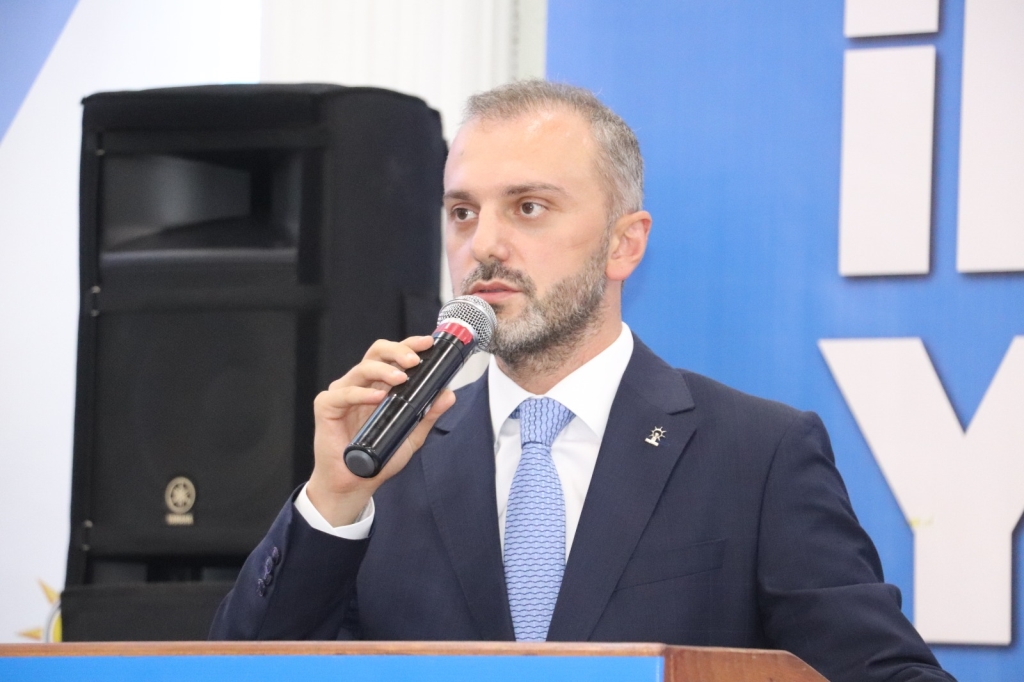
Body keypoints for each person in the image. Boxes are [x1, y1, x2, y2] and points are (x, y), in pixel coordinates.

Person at [210, 81, 954, 682]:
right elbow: (240, 672)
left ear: (624, 244)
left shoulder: (756, 455)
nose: (484, 245)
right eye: (462, 212)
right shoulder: (386, 459)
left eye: (528, 207)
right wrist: (333, 500)